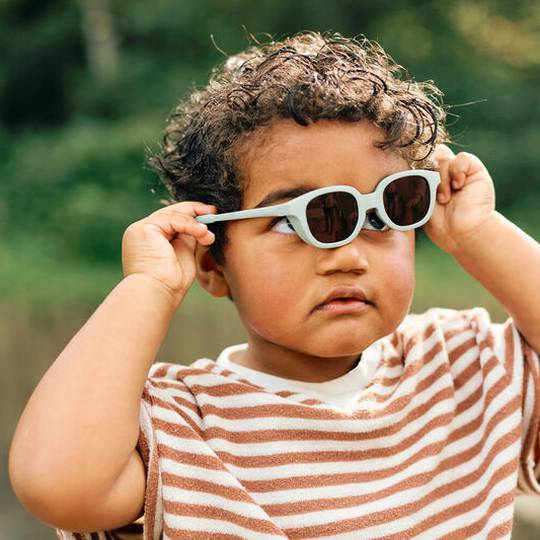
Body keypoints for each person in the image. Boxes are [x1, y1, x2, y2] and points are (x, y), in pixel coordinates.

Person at [8, 31, 540, 539]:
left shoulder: (461, 371)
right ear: (213, 263)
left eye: (382, 214)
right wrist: (149, 286)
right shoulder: (184, 426)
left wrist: (478, 234)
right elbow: (58, 482)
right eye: (295, 220)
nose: (348, 256)